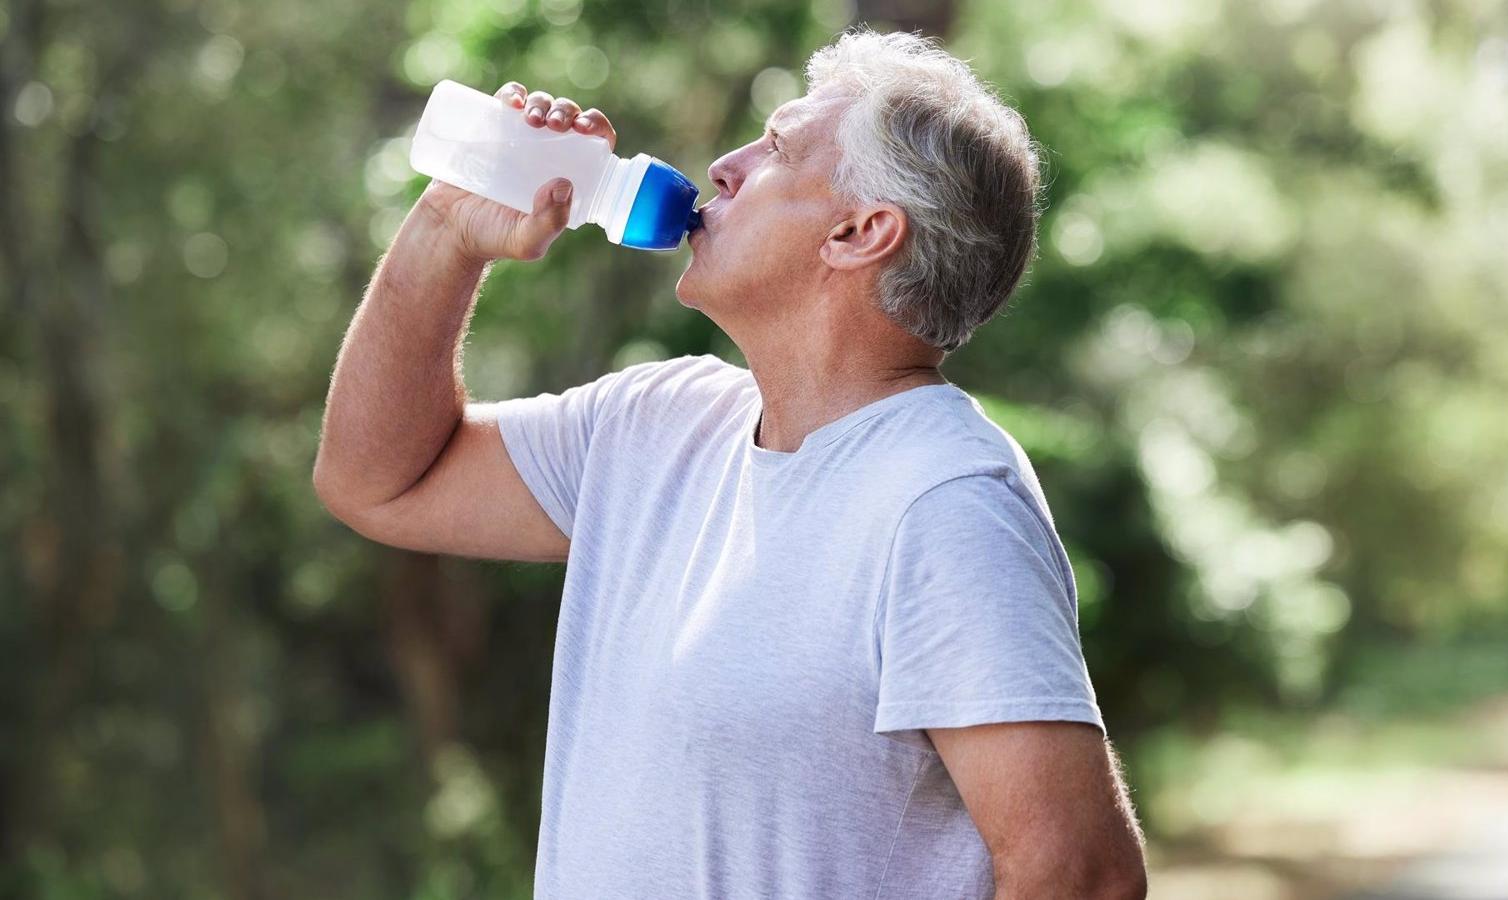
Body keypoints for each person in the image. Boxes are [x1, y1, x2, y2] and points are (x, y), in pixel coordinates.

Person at [314, 27, 1147, 900]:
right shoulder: (654, 424)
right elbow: (377, 481)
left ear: (860, 232)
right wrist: (447, 231)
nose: (724, 166)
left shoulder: (943, 501)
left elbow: (1080, 876)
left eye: (778, 146)